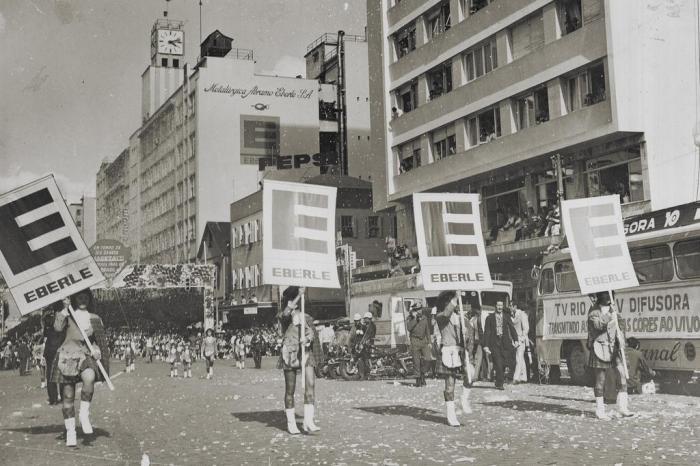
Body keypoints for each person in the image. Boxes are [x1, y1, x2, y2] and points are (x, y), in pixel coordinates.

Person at [50, 291, 109, 447]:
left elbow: (98, 341)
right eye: (79, 297)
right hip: (67, 356)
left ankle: (84, 414)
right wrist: (64, 308)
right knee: (68, 396)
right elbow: (57, 328)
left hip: (85, 355)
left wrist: (97, 350)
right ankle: (71, 432)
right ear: (74, 298)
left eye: (86, 297)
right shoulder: (68, 315)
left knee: (89, 377)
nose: (83, 299)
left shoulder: (95, 318)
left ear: (89, 299)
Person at [276, 286, 321, 435]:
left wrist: (307, 338)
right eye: (292, 299)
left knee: (310, 385)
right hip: (290, 353)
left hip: (305, 353)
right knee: (290, 389)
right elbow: (286, 313)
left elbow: (311, 333)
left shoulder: (305, 316)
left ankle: (308, 421)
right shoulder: (284, 315)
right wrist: (299, 295)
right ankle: (291, 423)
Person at [587, 292, 633, 419]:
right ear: (601, 297)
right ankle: (600, 409)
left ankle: (623, 407)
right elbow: (598, 326)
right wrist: (610, 317)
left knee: (622, 375)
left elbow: (621, 326)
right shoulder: (593, 312)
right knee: (600, 380)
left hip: (614, 349)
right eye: (607, 295)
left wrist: (621, 331)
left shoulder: (613, 310)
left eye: (611, 295)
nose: (610, 298)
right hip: (600, 348)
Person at [434, 291, 475, 427]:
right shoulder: (440, 316)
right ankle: (451, 415)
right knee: (450, 386)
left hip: (460, 351)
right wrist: (456, 298)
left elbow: (469, 337)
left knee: (471, 376)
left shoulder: (461, 318)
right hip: (448, 351)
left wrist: (466, 336)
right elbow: (446, 313)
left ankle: (464, 399)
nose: (456, 305)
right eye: (452, 302)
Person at [483, 301, 517, 390]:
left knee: (505, 363)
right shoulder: (489, 318)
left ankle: (499, 381)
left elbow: (512, 328)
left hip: (505, 343)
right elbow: (487, 332)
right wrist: (486, 345)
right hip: (494, 343)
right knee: (498, 362)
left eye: (501, 305)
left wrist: (516, 339)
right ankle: (500, 383)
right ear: (495, 306)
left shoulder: (506, 317)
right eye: (498, 305)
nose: (500, 307)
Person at [406, 303, 431, 387]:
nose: (419, 310)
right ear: (414, 311)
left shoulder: (424, 318)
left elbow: (427, 330)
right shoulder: (410, 318)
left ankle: (422, 373)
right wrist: (415, 319)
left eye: (420, 309)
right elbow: (409, 328)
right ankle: (418, 379)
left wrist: (429, 342)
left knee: (428, 359)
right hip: (415, 341)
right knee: (416, 362)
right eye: (417, 309)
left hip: (424, 341)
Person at [511, 304, 530, 384]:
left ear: (515, 306)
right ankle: (524, 377)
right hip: (515, 339)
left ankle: (516, 378)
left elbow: (526, 328)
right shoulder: (513, 315)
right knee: (521, 358)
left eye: (511, 306)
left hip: (520, 339)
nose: (509, 307)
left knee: (518, 358)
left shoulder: (522, 314)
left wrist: (522, 339)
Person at [357, 312, 376, 380]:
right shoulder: (367, 325)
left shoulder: (371, 325)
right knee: (365, 357)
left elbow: (369, 335)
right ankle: (367, 373)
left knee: (367, 357)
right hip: (366, 343)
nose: (364, 320)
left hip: (369, 343)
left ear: (369, 318)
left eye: (365, 318)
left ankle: (368, 373)